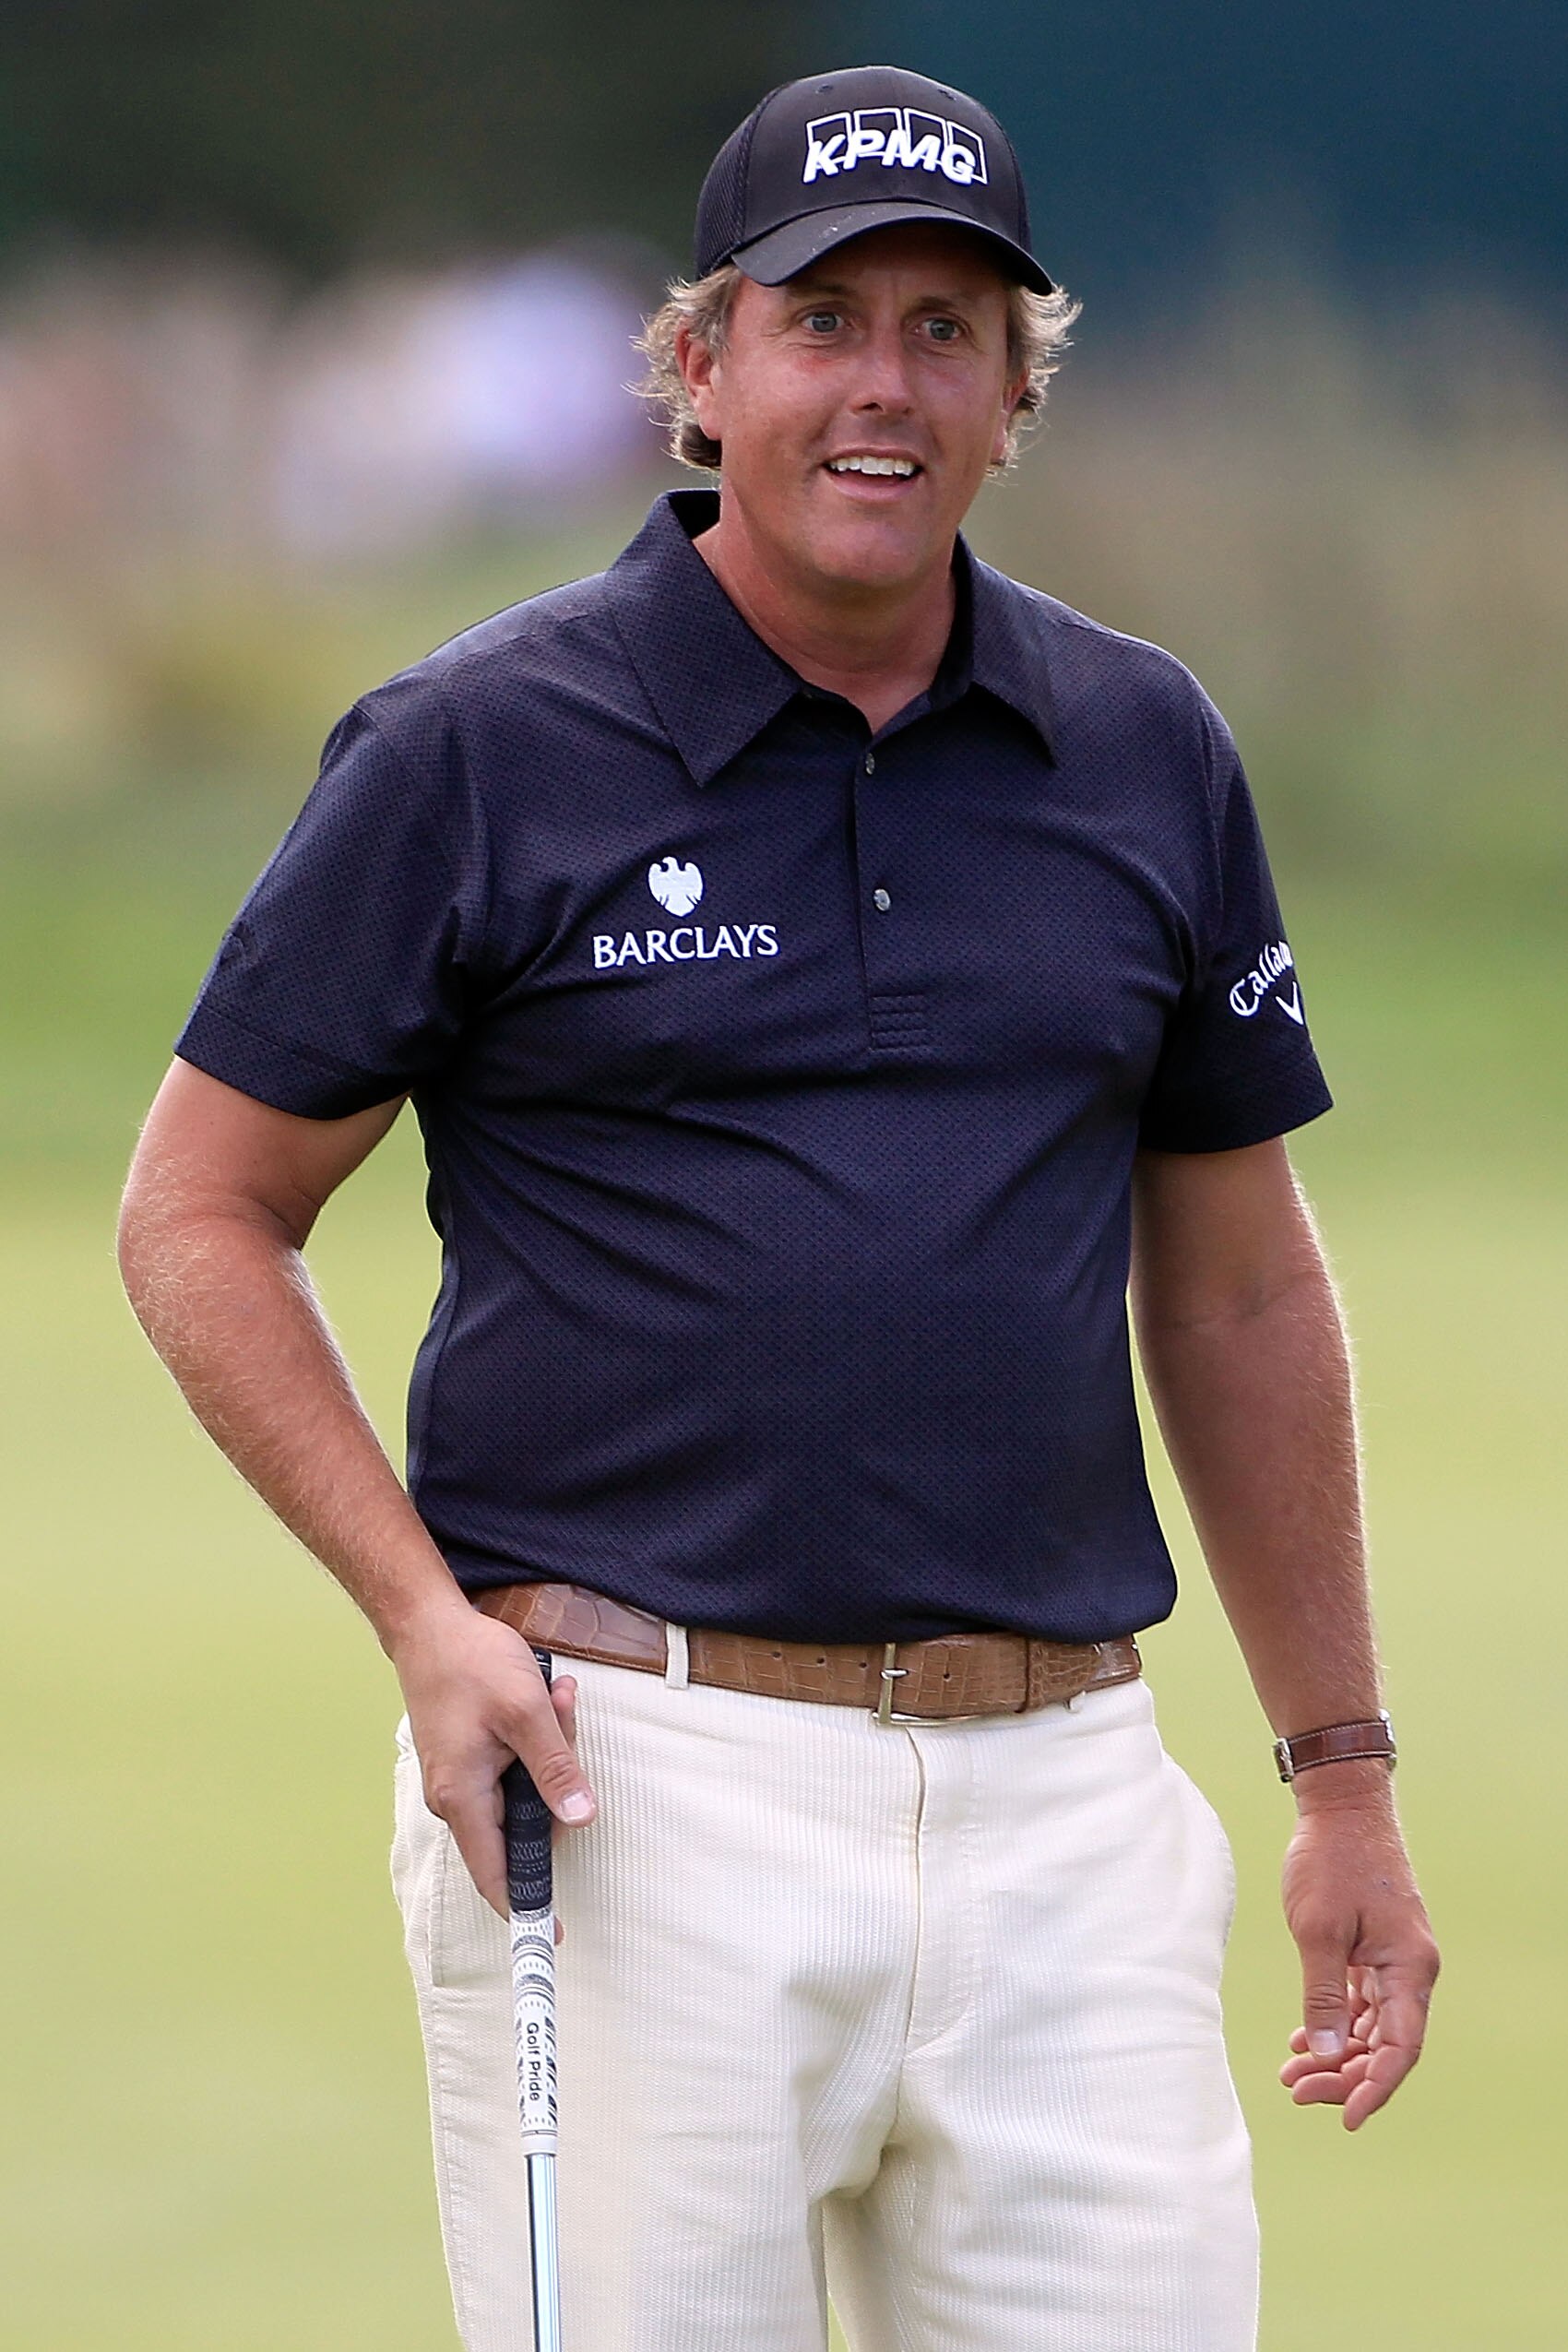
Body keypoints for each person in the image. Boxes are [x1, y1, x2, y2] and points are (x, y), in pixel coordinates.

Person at [118, 62, 1439, 2352]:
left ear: (1015, 398)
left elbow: (1231, 1293)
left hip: (1070, 1818)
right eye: (822, 318)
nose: (883, 383)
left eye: (950, 330)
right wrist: (426, 1624)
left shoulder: (1143, 749)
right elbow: (202, 1210)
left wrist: (1341, 1777)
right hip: (638, 1796)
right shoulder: (478, 745)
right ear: (698, 365)